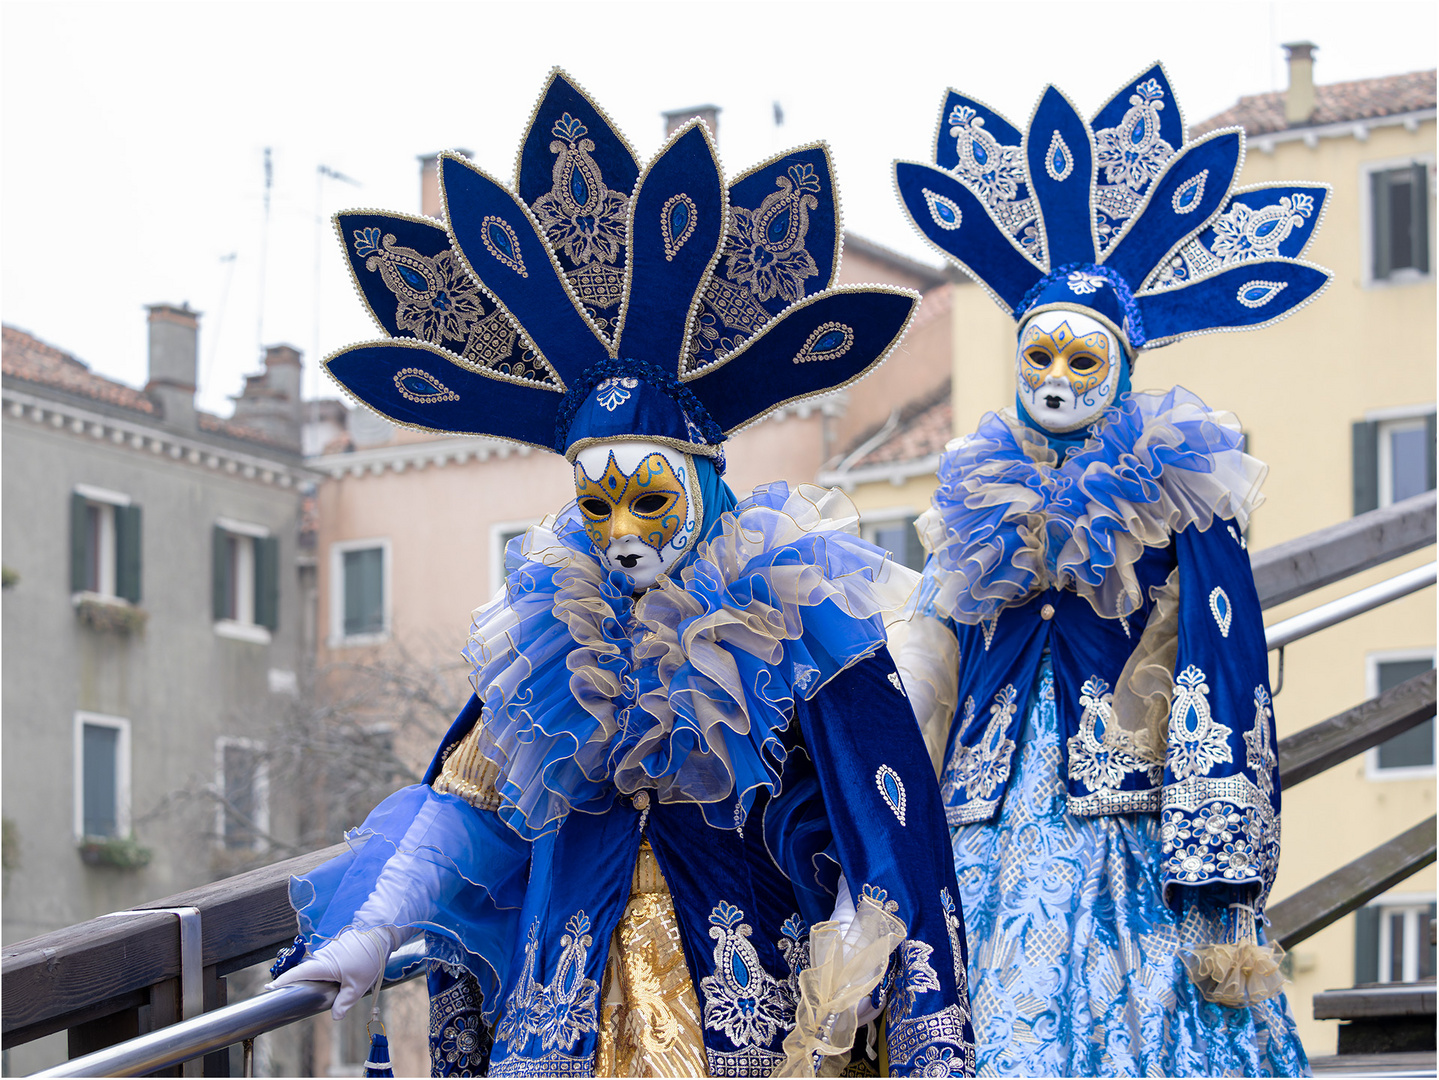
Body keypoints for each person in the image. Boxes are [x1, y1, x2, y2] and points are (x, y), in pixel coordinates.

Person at [272, 70, 975, 1078]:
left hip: (748, 1005)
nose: (620, 532)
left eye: (649, 500)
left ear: (703, 488)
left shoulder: (793, 613)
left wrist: (871, 964)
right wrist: (371, 929)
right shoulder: (550, 636)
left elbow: (885, 807)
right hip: (571, 1001)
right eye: (596, 506)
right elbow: (468, 803)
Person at [891, 64, 1332, 1076]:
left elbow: (1222, 667)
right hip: (982, 821)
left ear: (1122, 366)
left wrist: (1218, 883)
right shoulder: (973, 499)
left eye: (1077, 360)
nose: (1051, 378)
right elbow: (930, 664)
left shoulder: (1181, 492)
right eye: (1034, 357)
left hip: (1129, 820)